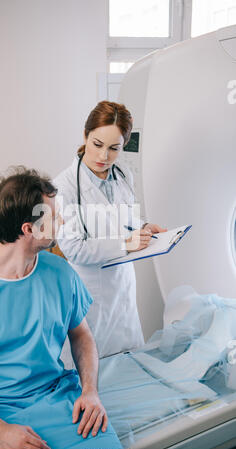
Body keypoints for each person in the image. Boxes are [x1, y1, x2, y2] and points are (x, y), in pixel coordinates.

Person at [0, 166, 122, 449]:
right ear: (29, 229)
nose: (61, 221)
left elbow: (81, 335)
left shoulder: (60, 272)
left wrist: (90, 391)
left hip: (59, 398)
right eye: (54, 216)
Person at [54, 101, 166, 365]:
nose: (104, 156)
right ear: (85, 136)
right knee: (89, 370)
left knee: (129, 365)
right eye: (97, 144)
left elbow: (124, 218)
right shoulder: (63, 187)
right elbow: (74, 249)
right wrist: (126, 244)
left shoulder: (124, 174)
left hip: (123, 287)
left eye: (114, 148)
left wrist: (143, 227)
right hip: (87, 291)